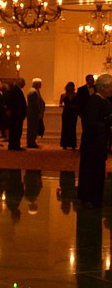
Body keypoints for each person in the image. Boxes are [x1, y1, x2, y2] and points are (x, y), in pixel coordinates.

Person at [77, 73, 112, 209]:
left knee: (98, 171)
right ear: (104, 88)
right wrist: (106, 121)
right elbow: (91, 123)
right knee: (90, 170)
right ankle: (88, 198)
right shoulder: (94, 101)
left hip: (100, 142)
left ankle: (96, 197)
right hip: (92, 144)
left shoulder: (105, 101)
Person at [6, 77, 28, 151]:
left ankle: (13, 145)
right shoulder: (16, 90)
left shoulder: (15, 90)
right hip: (16, 114)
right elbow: (15, 103)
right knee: (16, 130)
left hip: (16, 114)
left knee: (14, 130)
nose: (24, 84)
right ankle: (15, 145)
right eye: (23, 82)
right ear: (20, 82)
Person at [26, 78, 46, 148]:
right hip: (33, 113)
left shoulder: (34, 91)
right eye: (40, 84)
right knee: (32, 128)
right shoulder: (34, 92)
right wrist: (39, 112)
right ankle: (31, 142)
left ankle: (32, 141)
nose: (41, 85)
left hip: (33, 113)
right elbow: (35, 104)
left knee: (33, 128)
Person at [60, 81, 78, 149]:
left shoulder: (76, 95)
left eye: (71, 87)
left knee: (72, 128)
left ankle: (72, 144)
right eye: (69, 87)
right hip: (66, 112)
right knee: (65, 128)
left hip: (73, 113)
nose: (70, 88)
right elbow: (60, 103)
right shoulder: (63, 95)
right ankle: (64, 144)